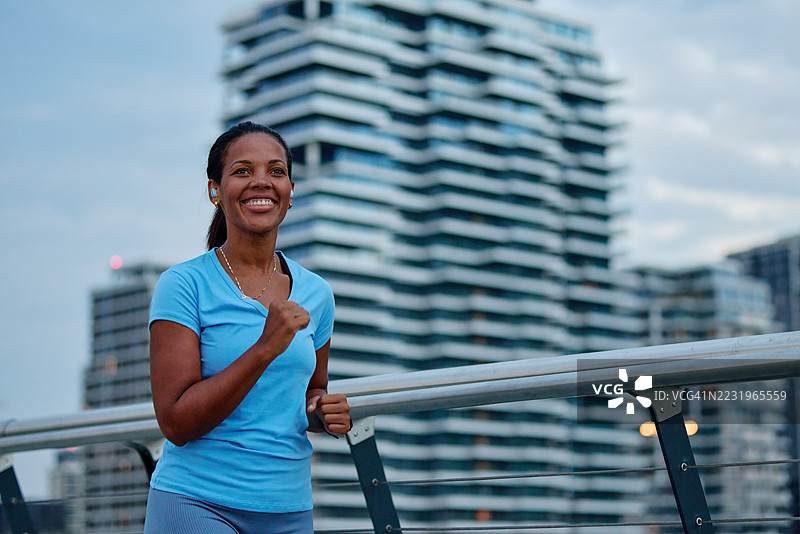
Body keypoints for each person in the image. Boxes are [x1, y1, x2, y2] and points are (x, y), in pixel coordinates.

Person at [143, 121, 351, 534]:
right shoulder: (183, 286)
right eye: (242, 171)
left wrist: (324, 412)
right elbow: (176, 423)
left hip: (289, 506)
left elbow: (311, 391)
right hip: (196, 503)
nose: (261, 182)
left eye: (276, 171)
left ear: (291, 191)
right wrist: (264, 348)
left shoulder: (317, 293)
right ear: (214, 191)